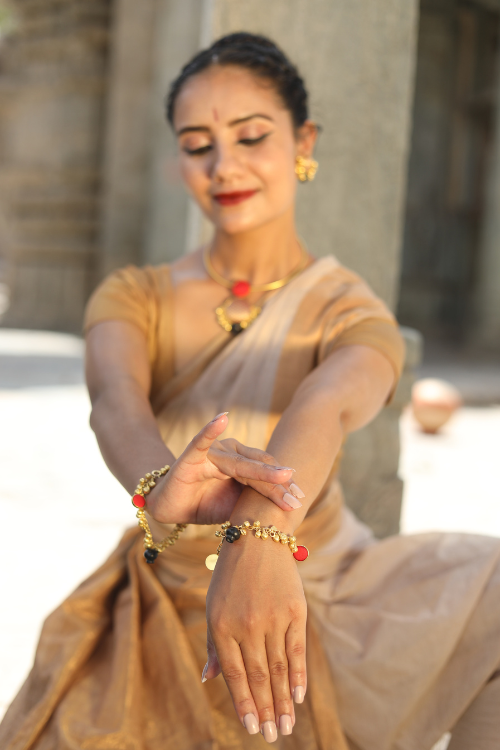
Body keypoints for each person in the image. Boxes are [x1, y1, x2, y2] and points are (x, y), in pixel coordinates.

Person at [1, 32, 499, 750]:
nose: (223, 164)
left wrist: (260, 535)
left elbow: (324, 404)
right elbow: (114, 401)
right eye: (197, 143)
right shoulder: (133, 295)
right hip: (163, 596)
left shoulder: (349, 310)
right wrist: (158, 484)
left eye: (251, 136)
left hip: (325, 582)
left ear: (304, 140)